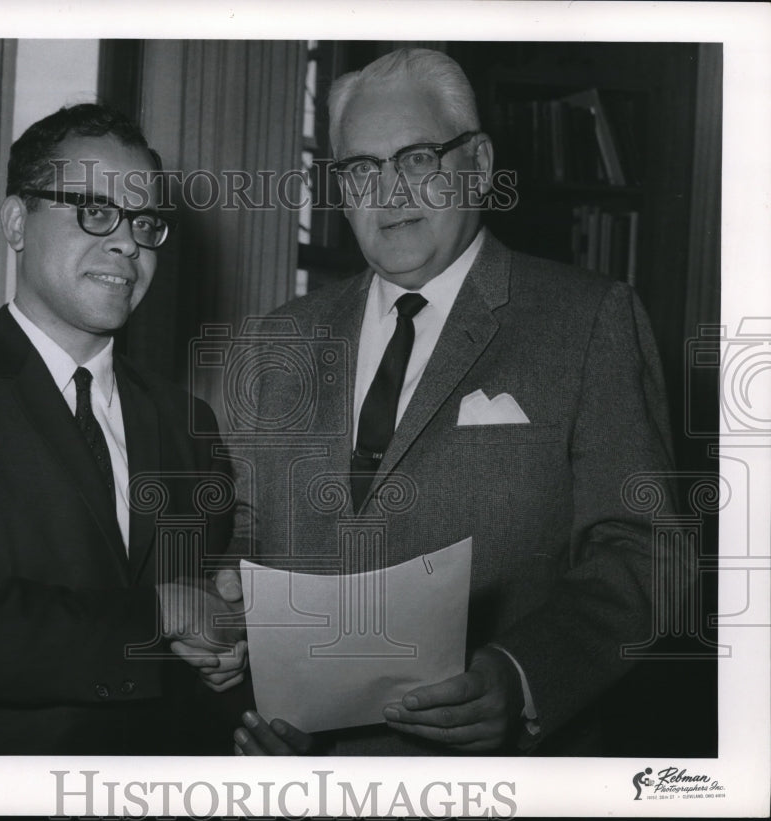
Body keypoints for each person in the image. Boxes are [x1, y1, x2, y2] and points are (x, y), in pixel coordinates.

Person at [226, 48, 675, 756]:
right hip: (296, 767)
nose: (389, 192)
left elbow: (645, 552)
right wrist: (227, 634)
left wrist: (522, 675)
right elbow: (241, 534)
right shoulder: (280, 334)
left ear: (480, 163)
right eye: (362, 168)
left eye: (417, 158)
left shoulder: (587, 320)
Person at [0, 103, 244, 755]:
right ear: (15, 223)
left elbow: (202, 610)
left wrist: (229, 647)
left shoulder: (185, 422)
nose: (126, 242)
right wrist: (162, 613)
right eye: (93, 210)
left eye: (144, 221)